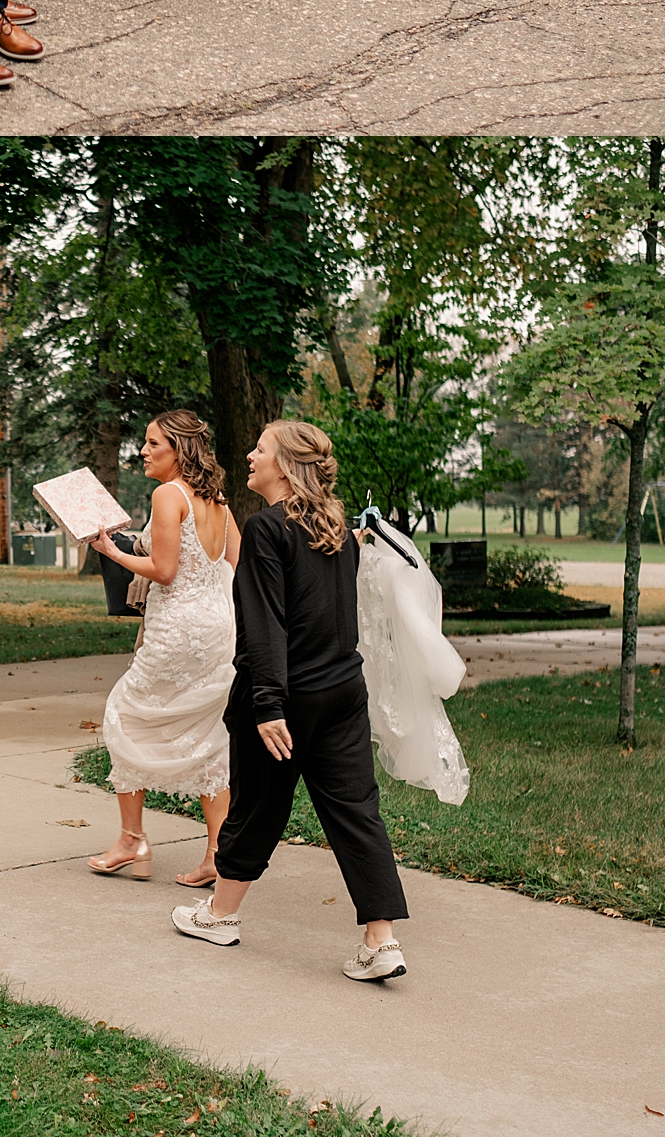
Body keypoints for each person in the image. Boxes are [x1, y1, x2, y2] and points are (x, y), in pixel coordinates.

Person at [171, 420, 410, 983]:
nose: (250, 456)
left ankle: (221, 915)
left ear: (285, 465)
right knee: (357, 812)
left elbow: (265, 623)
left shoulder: (265, 528)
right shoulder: (334, 525)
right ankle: (382, 941)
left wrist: (268, 703)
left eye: (260, 449)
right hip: (343, 691)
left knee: (257, 805)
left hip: (287, 697)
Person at [87, 411, 241, 887]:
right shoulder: (217, 501)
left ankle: (132, 839)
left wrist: (112, 552)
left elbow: (165, 569)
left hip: (176, 629)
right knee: (209, 733)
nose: (143, 450)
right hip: (219, 627)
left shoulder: (167, 494)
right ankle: (218, 853)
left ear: (178, 448)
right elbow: (233, 562)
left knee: (127, 716)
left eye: (153, 443)